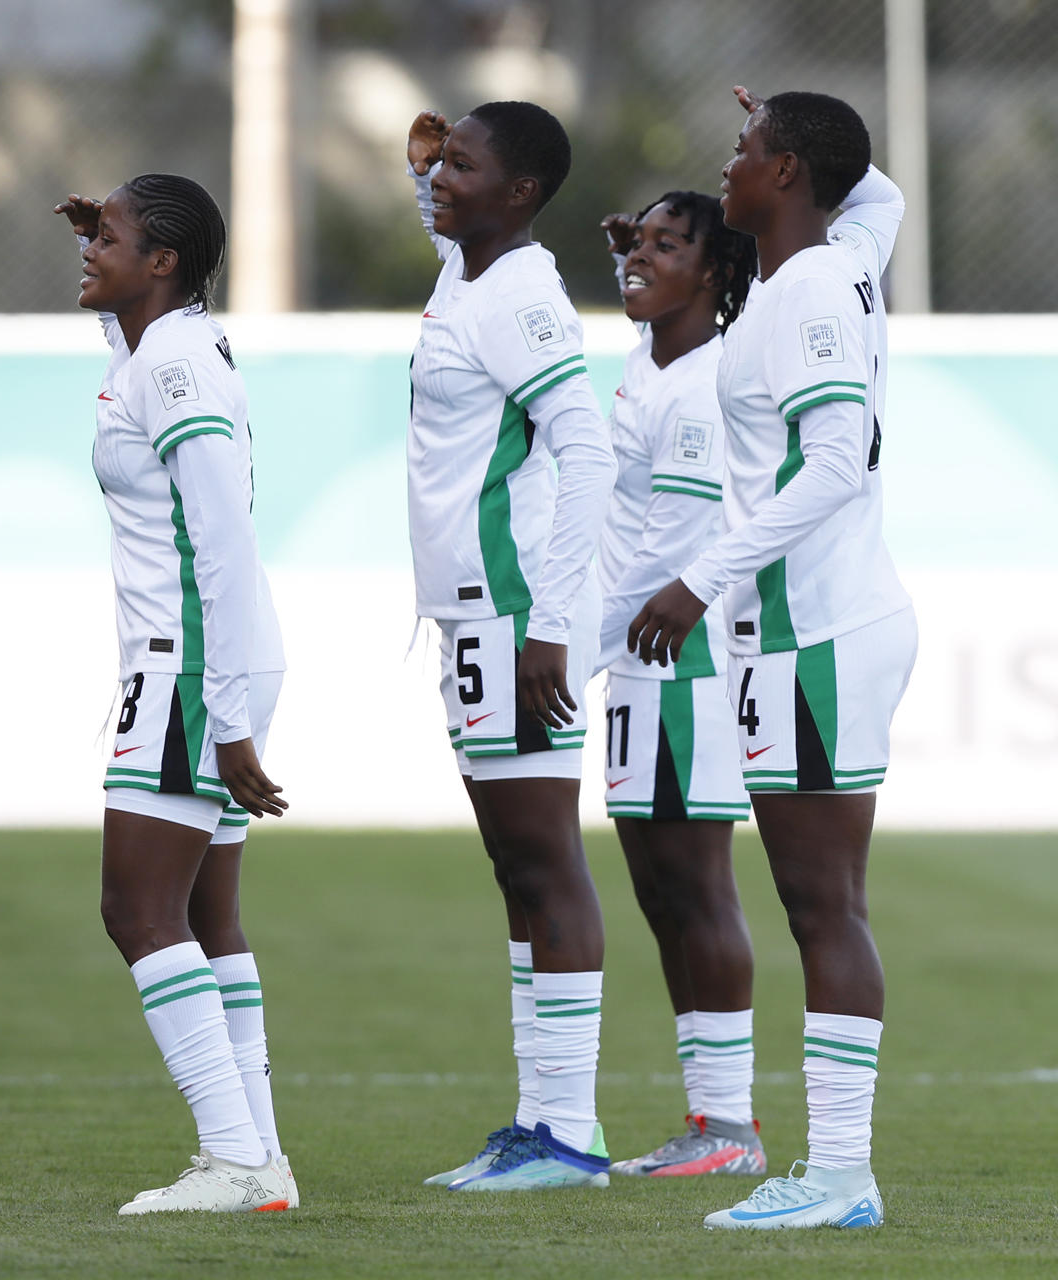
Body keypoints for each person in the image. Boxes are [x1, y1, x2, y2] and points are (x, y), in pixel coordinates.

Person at [629, 86, 914, 1231]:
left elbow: (835, 457)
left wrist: (703, 579)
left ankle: (841, 1174)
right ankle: (832, 1169)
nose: (729, 164)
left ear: (788, 172)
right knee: (817, 902)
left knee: (822, 905)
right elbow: (875, 186)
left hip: (814, 629)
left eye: (747, 148)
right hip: (806, 630)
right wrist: (797, 118)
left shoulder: (804, 286)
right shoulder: (847, 249)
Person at [53, 176, 296, 1215]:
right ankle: (261, 1160)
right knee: (206, 910)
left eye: (108, 238)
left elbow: (222, 539)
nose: (88, 248)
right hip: (203, 660)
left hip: (193, 664)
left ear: (165, 263)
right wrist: (117, 296)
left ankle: (234, 1156)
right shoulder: (163, 346)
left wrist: (228, 716)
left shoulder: (179, 361)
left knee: (135, 907)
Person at [403, 102, 619, 1191]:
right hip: (477, 615)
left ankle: (569, 1133)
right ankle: (540, 1121)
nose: (443, 174)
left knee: (545, 860)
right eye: (442, 160)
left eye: (464, 166)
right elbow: (448, 229)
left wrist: (547, 624)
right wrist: (421, 170)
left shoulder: (524, 294)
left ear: (522, 194)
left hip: (516, 612)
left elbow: (586, 450)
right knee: (516, 867)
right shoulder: (471, 269)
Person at [592, 192, 765, 1179]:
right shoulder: (646, 361)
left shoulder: (707, 381)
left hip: (685, 658)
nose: (638, 255)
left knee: (696, 886)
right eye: (635, 240)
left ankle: (732, 1126)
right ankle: (710, 1120)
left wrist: (582, 642)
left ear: (714, 274)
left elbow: (683, 544)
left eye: (668, 245)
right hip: (633, 658)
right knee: (660, 891)